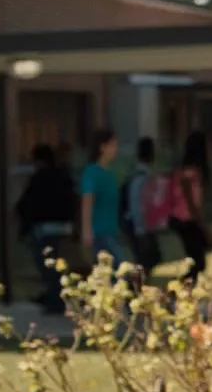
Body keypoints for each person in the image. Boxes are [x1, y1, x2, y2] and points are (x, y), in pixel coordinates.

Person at [13, 143, 78, 314]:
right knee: (60, 266)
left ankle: (55, 300)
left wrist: (24, 227)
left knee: (47, 266)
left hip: (44, 229)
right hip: (63, 227)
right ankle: (58, 297)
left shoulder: (38, 179)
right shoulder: (65, 177)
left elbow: (26, 205)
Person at [168, 131, 212, 284]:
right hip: (186, 220)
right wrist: (203, 226)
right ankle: (178, 289)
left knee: (197, 262)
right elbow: (191, 202)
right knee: (197, 263)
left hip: (185, 219)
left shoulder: (187, 171)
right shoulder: (190, 174)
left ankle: (183, 288)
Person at [79, 128, 128, 266]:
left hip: (112, 230)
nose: (115, 149)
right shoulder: (92, 172)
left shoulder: (110, 174)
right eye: (112, 145)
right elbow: (87, 201)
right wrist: (86, 230)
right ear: (102, 147)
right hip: (99, 231)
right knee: (120, 267)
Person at [122, 137, 164, 281]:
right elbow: (136, 204)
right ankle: (134, 286)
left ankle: (138, 284)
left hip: (142, 224)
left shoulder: (141, 174)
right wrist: (140, 230)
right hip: (137, 224)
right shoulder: (140, 177)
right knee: (146, 259)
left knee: (150, 258)